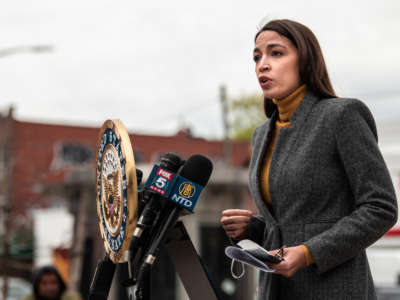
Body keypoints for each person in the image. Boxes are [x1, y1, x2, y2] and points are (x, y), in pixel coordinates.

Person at [221, 19, 397, 300]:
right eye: (257, 57)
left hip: (334, 289)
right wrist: (253, 228)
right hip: (275, 290)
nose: (262, 65)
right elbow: (286, 221)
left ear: (305, 60)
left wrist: (307, 253)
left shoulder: (342, 116)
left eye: (276, 53)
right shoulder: (262, 134)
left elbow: (381, 207)